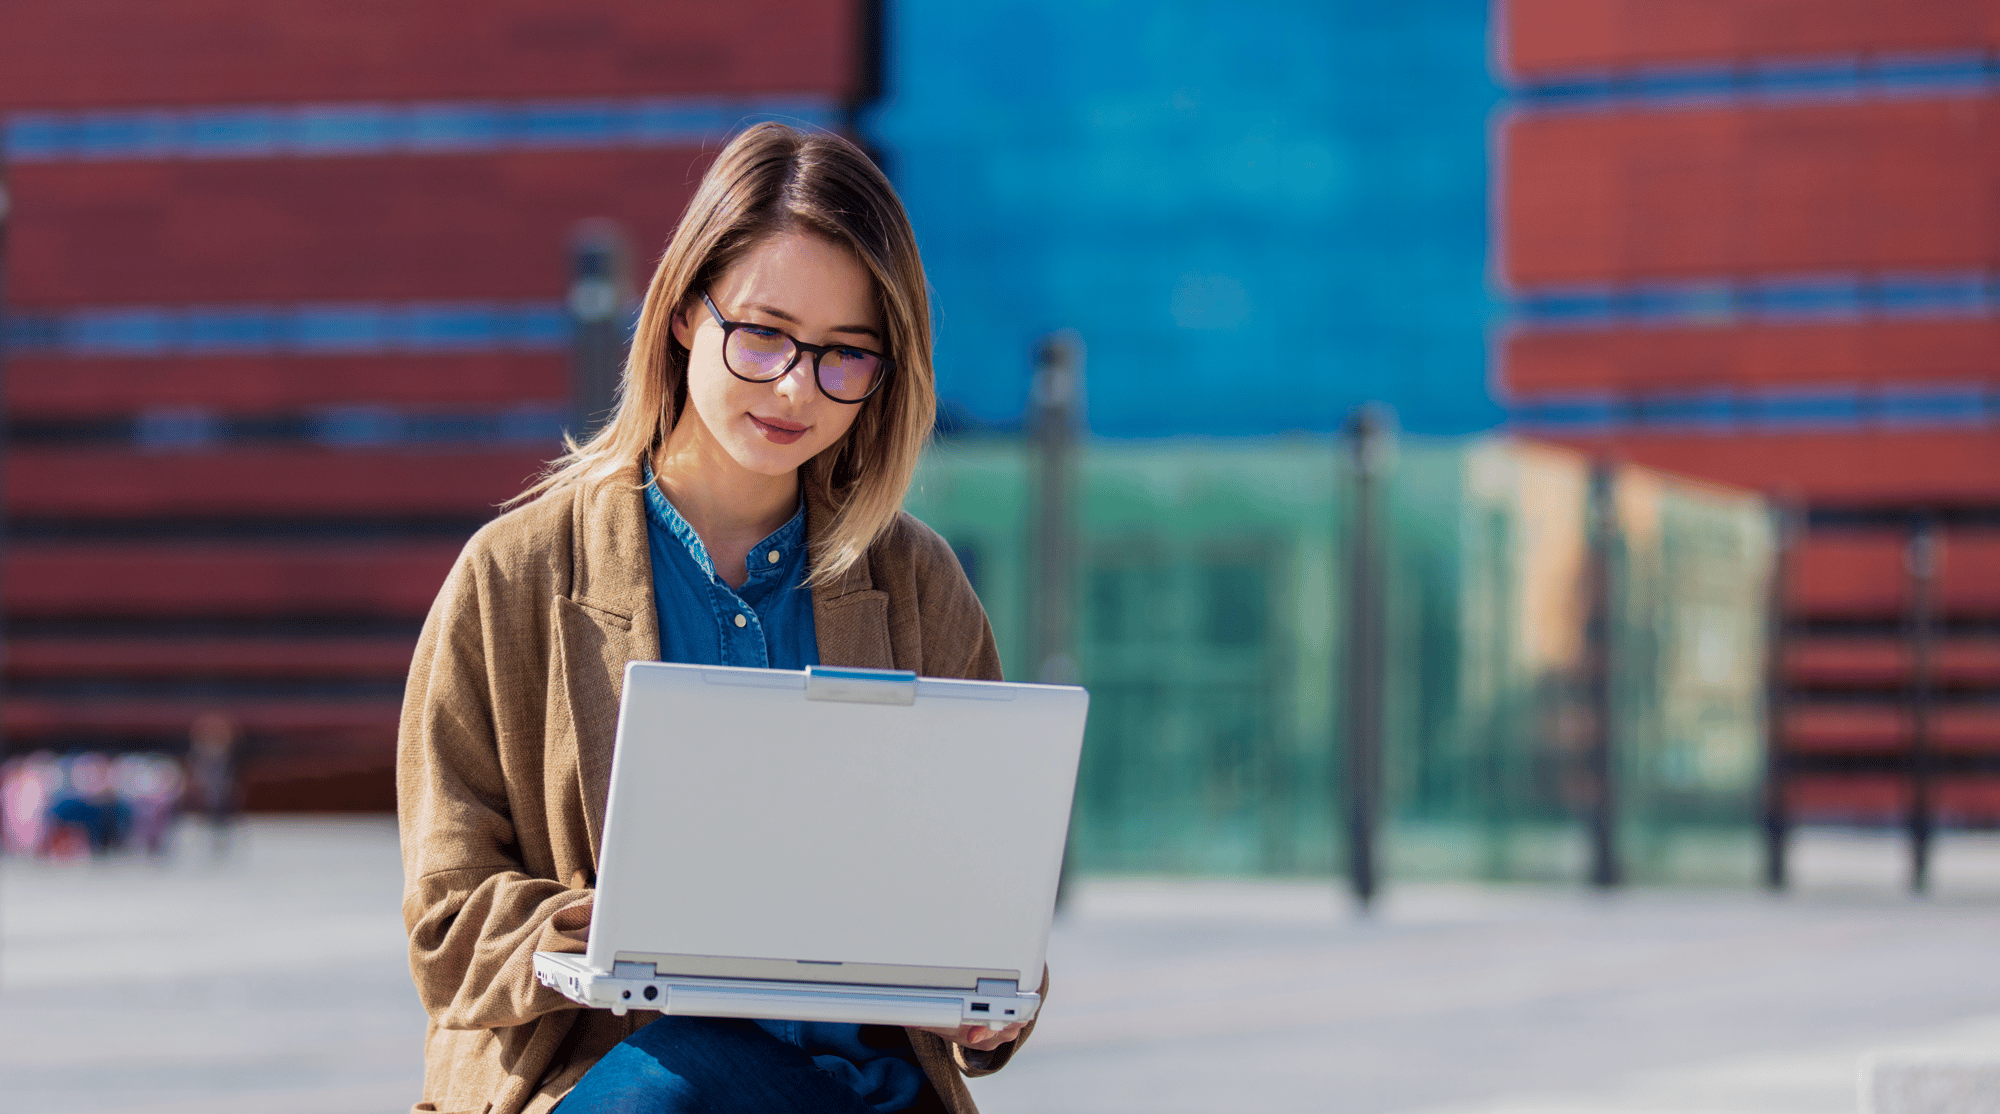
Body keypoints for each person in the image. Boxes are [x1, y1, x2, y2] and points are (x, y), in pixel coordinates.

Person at [397, 123, 1041, 1114]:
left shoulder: (916, 585)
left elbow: (984, 896)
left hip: (857, 1090)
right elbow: (445, 921)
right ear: (686, 314)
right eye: (764, 333)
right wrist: (602, 924)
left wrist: (992, 997)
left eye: (843, 356)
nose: (794, 387)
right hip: (626, 1082)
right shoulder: (514, 577)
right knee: (691, 1080)